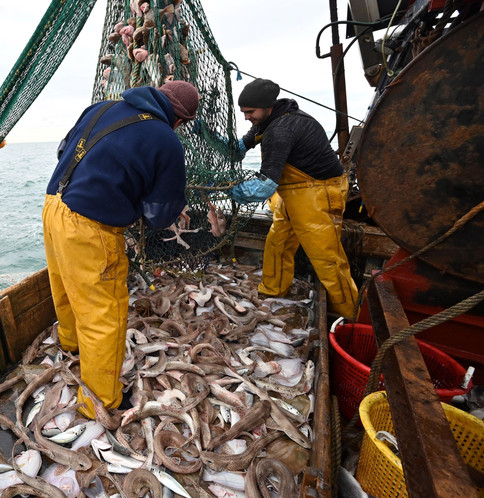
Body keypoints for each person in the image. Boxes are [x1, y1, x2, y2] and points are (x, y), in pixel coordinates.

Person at [43, 80, 198, 418]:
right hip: (90, 227)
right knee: (104, 314)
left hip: (54, 205)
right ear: (180, 120)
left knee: (66, 285)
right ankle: (100, 401)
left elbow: (63, 150)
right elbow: (158, 216)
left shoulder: (103, 106)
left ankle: (69, 345)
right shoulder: (166, 140)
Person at [226, 78, 358, 317]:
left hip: (320, 192)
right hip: (293, 193)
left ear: (267, 106)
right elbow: (237, 150)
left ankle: (349, 316)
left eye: (250, 112)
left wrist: (230, 190)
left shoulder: (281, 130)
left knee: (327, 259)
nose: (246, 117)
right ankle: (273, 290)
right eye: (243, 112)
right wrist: (205, 134)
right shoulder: (267, 121)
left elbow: (265, 187)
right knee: (278, 242)